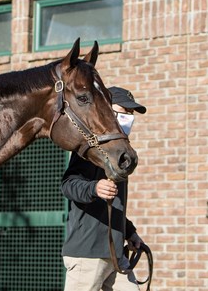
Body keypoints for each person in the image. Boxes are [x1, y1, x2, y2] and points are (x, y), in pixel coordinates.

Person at [61, 87, 147, 291]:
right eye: (124, 111)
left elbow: (111, 205)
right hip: (87, 255)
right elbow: (68, 185)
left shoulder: (119, 152)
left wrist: (130, 232)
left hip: (116, 253)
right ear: (107, 110)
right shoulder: (89, 148)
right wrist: (94, 188)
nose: (129, 117)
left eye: (131, 113)